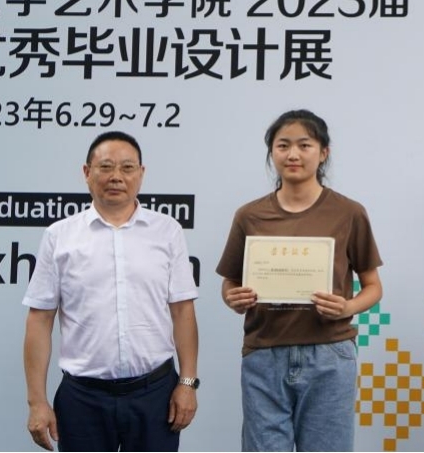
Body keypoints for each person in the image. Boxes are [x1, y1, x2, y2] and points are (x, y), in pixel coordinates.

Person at [216, 109, 383, 452]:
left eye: (304, 145)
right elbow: (229, 283)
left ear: (323, 153)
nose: (293, 154)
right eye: (283, 146)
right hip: (264, 355)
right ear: (272, 153)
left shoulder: (349, 213)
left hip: (329, 354)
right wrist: (234, 298)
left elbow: (373, 286)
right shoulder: (249, 215)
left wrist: (347, 307)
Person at [22, 131, 199, 452]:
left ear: (141, 174)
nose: (116, 176)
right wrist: (37, 401)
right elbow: (40, 319)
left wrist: (187, 383)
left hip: (155, 395)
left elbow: (183, 312)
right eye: (105, 167)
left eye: (127, 168)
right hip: (82, 399)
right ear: (87, 172)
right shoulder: (59, 236)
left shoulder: (167, 231)